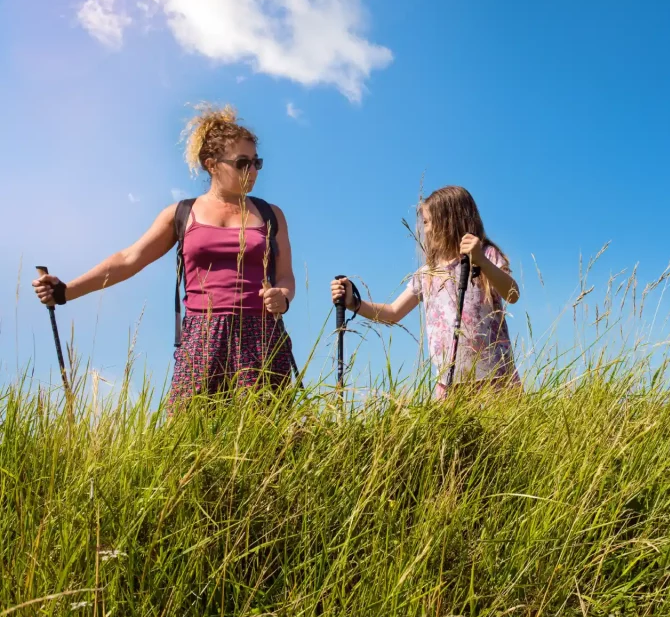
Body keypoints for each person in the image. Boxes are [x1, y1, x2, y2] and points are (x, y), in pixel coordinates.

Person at [32, 104, 298, 408]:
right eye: (241, 163)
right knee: (190, 434)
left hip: (261, 333)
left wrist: (284, 296)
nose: (252, 171)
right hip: (202, 334)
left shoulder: (270, 214)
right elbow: (130, 259)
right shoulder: (181, 214)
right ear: (212, 165)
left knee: (263, 438)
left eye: (256, 162)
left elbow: (285, 275)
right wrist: (66, 291)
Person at [331, 185, 520, 398]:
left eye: (427, 222)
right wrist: (354, 303)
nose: (425, 230)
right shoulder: (427, 273)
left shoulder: (485, 255)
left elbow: (512, 294)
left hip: (495, 376)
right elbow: (393, 312)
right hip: (450, 382)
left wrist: (482, 261)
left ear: (448, 221)